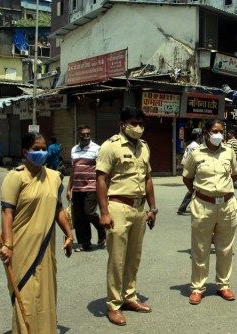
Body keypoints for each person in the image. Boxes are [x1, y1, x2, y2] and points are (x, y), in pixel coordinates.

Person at [0, 132, 74, 334]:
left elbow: (58, 209)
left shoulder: (53, 177)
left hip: (45, 245)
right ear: (26, 152)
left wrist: (69, 234)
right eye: (36, 149)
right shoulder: (15, 177)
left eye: (43, 149)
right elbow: (7, 212)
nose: (41, 152)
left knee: (46, 293)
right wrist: (7, 244)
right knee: (26, 294)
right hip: (21, 246)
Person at [96, 107, 157, 326]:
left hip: (139, 209)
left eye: (141, 122)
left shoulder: (144, 147)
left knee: (133, 257)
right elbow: (101, 179)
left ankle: (130, 297)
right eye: (134, 122)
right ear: (122, 124)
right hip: (118, 207)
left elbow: (148, 178)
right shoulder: (110, 146)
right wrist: (104, 212)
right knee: (117, 259)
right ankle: (114, 304)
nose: (138, 127)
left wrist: (153, 208)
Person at [182, 119, 237, 305]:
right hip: (202, 205)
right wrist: (201, 194)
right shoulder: (196, 153)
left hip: (227, 205)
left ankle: (223, 285)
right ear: (206, 133)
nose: (219, 135)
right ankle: (197, 288)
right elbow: (187, 178)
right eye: (215, 131)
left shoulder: (229, 152)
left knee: (225, 248)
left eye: (221, 131)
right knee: (200, 248)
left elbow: (235, 174)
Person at [67, 125, 105, 252]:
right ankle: (85, 242)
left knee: (89, 213)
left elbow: (101, 170)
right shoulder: (74, 150)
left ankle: (101, 229)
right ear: (78, 136)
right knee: (79, 218)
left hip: (91, 187)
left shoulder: (97, 149)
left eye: (88, 134)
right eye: (83, 134)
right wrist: (69, 188)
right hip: (77, 189)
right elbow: (73, 170)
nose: (86, 136)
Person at [177, 128, 203, 215]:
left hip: (189, 169)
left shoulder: (190, 145)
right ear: (197, 137)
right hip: (192, 170)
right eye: (200, 136)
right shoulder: (195, 146)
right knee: (192, 189)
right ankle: (182, 208)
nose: (202, 138)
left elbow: (184, 160)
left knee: (194, 189)